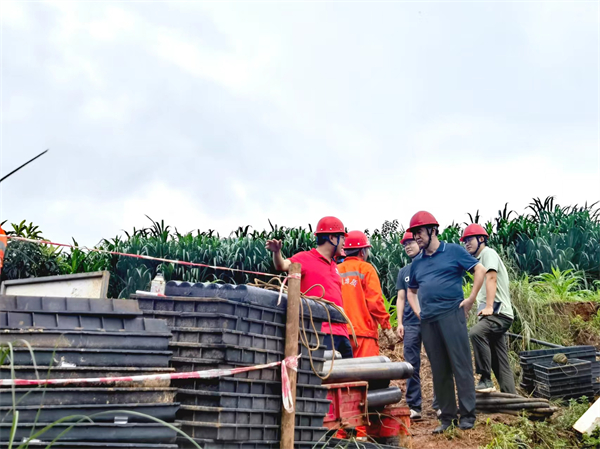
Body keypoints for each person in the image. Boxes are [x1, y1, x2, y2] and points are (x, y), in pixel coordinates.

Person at [406, 211, 486, 434]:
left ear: (432, 230)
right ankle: (447, 418)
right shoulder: (417, 263)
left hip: (452, 314)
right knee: (439, 369)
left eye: (419, 232)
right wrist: (419, 312)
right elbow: (411, 292)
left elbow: (479, 270)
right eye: (414, 233)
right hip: (429, 321)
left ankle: (468, 415)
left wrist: (470, 299)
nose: (416, 237)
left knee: (460, 365)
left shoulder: (452, 251)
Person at [266, 216, 353, 358]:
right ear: (332, 238)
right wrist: (277, 252)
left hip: (341, 331)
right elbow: (282, 265)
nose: (344, 242)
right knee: (325, 375)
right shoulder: (305, 258)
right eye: (342, 237)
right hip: (320, 332)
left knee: (348, 376)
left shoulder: (334, 265)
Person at [461, 224, 517, 394]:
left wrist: (490, 307)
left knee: (476, 333)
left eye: (469, 239)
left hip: (498, 313)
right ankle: (512, 399)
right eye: (465, 241)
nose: (467, 244)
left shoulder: (488, 253)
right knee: (500, 362)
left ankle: (485, 379)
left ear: (481, 239)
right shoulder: (480, 260)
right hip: (493, 314)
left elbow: (491, 278)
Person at [396, 231, 439, 420]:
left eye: (410, 242)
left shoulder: (431, 264)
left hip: (431, 320)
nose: (407, 246)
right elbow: (401, 297)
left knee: (438, 362)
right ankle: (414, 406)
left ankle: (440, 404)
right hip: (411, 324)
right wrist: (399, 323)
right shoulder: (403, 271)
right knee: (411, 364)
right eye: (404, 244)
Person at [338, 230, 398, 358]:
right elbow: (375, 302)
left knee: (342, 375)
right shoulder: (366, 269)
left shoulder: (336, 270)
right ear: (362, 251)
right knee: (364, 374)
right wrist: (386, 326)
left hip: (339, 334)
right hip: (363, 335)